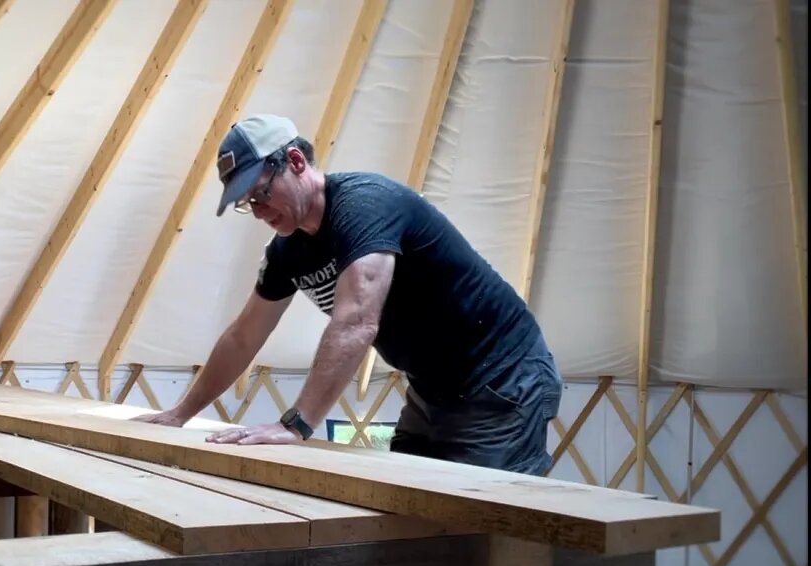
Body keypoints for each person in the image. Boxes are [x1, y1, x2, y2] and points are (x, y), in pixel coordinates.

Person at [134, 113, 562, 477]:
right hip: (433, 388)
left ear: (296, 162)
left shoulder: (363, 206)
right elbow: (243, 336)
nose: (260, 212)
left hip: (504, 377)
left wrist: (297, 423)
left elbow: (357, 321)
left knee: (484, 528)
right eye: (249, 204)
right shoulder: (287, 252)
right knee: (410, 510)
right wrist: (179, 414)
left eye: (261, 193)